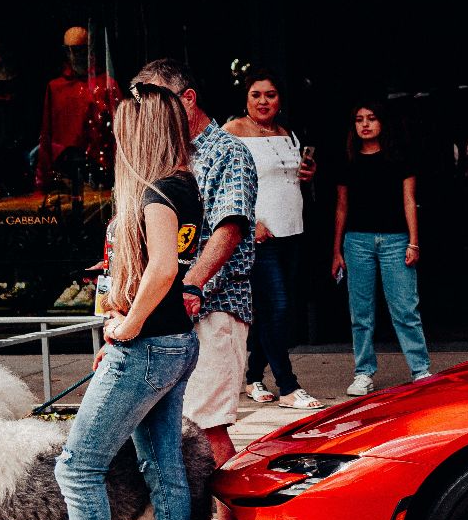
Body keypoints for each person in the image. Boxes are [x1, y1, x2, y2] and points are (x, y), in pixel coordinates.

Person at [35, 84, 204, 520]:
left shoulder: (156, 191)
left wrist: (126, 324)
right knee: (165, 472)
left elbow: (161, 267)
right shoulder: (186, 186)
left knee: (76, 469)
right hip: (177, 344)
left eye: (121, 125)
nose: (112, 134)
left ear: (141, 132)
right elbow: (177, 268)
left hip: (147, 347)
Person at [131, 59, 257, 471]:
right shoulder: (164, 155)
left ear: (188, 99)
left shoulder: (228, 151)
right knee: (168, 427)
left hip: (214, 305)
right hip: (166, 310)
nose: (148, 113)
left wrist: (192, 283)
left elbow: (231, 226)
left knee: (207, 428)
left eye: (156, 101)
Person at [225, 68, 322, 410]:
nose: (264, 101)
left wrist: (307, 175)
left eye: (270, 95)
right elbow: (222, 184)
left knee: (278, 311)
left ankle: (252, 377)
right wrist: (248, 222)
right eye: (256, 95)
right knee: (276, 307)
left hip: (292, 229)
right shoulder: (233, 131)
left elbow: (287, 179)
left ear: (280, 99)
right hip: (259, 235)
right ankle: (288, 386)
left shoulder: (287, 132)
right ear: (245, 98)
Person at [331, 102, 429, 395]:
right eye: (359, 119)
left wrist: (414, 241)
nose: (365, 125)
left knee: (404, 308)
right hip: (357, 240)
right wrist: (336, 251)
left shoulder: (399, 157)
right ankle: (363, 372)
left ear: (383, 122)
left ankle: (420, 369)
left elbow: (409, 200)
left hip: (396, 240)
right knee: (360, 311)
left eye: (372, 119)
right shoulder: (348, 159)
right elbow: (341, 207)